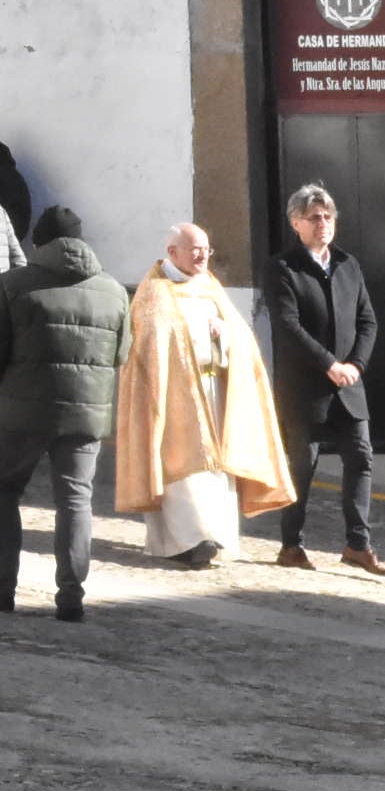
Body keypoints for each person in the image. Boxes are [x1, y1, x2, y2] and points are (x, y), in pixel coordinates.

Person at [115, 222, 293, 567]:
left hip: (215, 390)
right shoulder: (154, 293)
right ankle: (187, 541)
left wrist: (223, 337)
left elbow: (241, 339)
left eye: (207, 249)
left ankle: (215, 535)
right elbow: (147, 348)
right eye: (195, 249)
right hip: (171, 396)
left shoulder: (210, 286)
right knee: (184, 470)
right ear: (172, 252)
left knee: (216, 470)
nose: (203, 256)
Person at [0, 206, 130, 622]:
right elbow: (121, 355)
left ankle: (3, 591)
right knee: (76, 501)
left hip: (19, 412)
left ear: (38, 243)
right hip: (85, 415)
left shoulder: (11, 286)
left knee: (4, 493)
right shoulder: (112, 290)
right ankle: (71, 597)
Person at [260, 183, 385, 576]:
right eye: (314, 218)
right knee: (302, 464)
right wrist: (328, 363)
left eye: (328, 217)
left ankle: (358, 545)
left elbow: (367, 320)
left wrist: (357, 365)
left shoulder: (348, 265)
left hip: (349, 385)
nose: (323, 224)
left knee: (361, 458)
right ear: (296, 223)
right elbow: (287, 326)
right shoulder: (283, 268)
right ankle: (291, 544)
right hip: (305, 387)